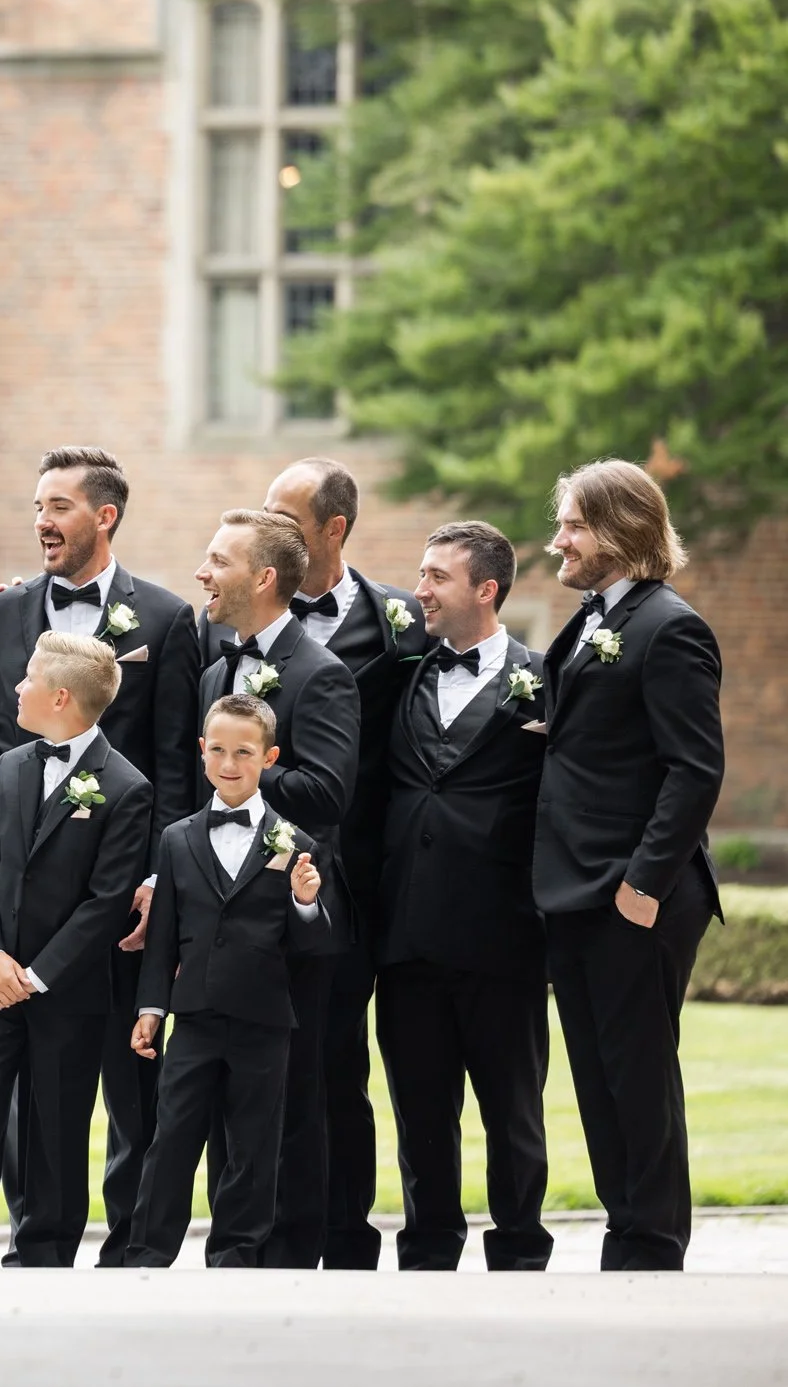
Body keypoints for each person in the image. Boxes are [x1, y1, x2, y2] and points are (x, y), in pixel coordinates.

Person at [0, 446, 201, 1264]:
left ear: (105, 516)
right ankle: (38, 1233)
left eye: (60, 505)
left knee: (130, 1075)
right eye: (38, 504)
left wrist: (154, 882)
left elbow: (176, 762)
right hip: (25, 903)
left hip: (126, 899)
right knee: (28, 1086)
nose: (42, 519)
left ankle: (134, 1245)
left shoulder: (170, 620)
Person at [535, 459, 724, 1271]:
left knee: (638, 1074)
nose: (558, 543)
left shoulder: (668, 626)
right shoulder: (590, 621)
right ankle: (626, 1228)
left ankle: (650, 1243)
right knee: (598, 1075)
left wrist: (643, 885)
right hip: (576, 889)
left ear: (619, 529)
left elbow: (696, 768)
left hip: (634, 894)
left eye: (573, 524)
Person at [0, 633, 150, 1267]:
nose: (17, 688)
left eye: (28, 678)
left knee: (55, 1125)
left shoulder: (126, 788)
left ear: (61, 696)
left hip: (65, 992)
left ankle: (43, 1250)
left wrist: (37, 976)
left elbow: (105, 902)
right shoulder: (12, 767)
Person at [262, 458, 427, 1269]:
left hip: (365, 881)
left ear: (334, 530)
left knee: (341, 1065)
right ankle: (266, 1232)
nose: (269, 532)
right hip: (258, 882)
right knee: (266, 1064)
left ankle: (348, 1235)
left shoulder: (401, 621)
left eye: (286, 519)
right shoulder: (232, 621)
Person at [376, 522, 553, 1272]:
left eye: (436, 577)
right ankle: (428, 1246)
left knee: (511, 1111)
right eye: (420, 574)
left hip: (502, 938)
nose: (420, 590)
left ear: (486, 589)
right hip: (408, 934)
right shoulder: (402, 671)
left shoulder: (543, 679)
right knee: (420, 1112)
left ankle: (518, 1247)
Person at [190, 506, 358, 1267]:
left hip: (289, 918)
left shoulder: (321, 673)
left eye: (218, 560)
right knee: (225, 1091)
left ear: (262, 577)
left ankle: (291, 1256)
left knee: (292, 1096)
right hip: (218, 915)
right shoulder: (215, 667)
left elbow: (327, 793)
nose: (203, 572)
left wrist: (249, 772)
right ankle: (237, 1248)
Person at [127, 695, 333, 1268]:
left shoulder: (296, 843)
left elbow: (313, 946)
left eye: (244, 752)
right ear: (201, 751)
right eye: (217, 749)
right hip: (192, 1015)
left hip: (263, 1019)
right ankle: (147, 1252)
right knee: (171, 1139)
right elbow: (162, 936)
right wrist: (151, 1008)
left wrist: (305, 901)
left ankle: (237, 1253)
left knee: (252, 1143)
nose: (229, 762)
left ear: (268, 757)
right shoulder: (176, 839)